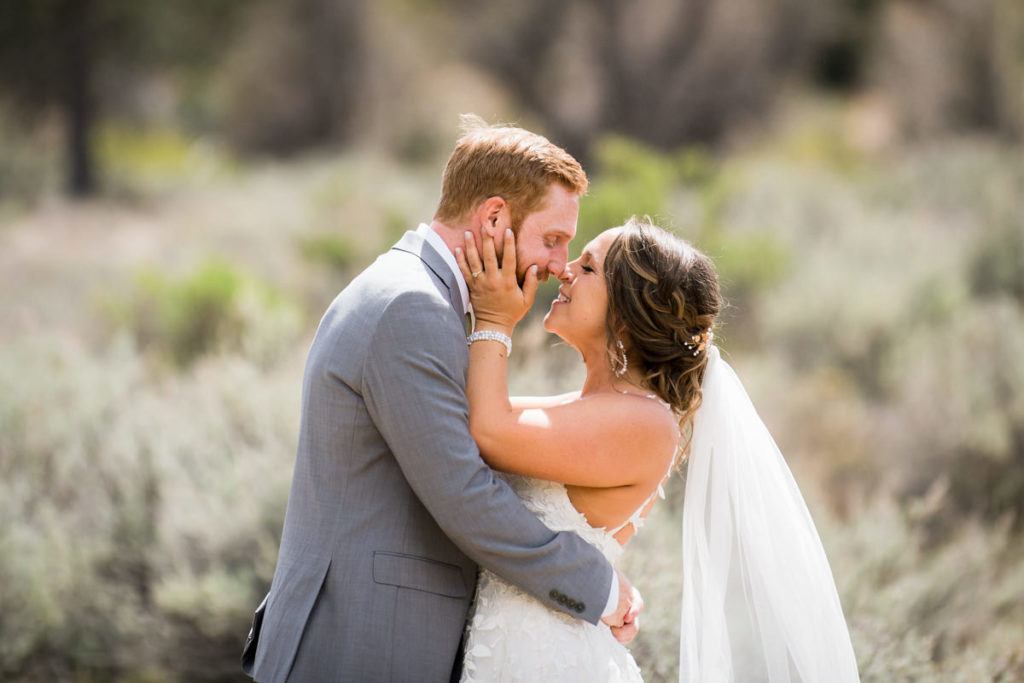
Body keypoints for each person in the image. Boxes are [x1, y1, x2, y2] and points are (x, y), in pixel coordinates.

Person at [240, 117, 642, 683]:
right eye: (552, 239)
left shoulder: (415, 293)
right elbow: (463, 495)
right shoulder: (414, 308)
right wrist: (596, 585)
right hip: (357, 646)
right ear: (495, 217)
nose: (558, 265)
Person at [455, 216, 860, 681]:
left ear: (627, 316)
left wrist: (495, 319)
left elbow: (488, 430)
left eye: (587, 269)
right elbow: (466, 420)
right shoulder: (589, 407)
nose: (564, 270)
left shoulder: (645, 423)